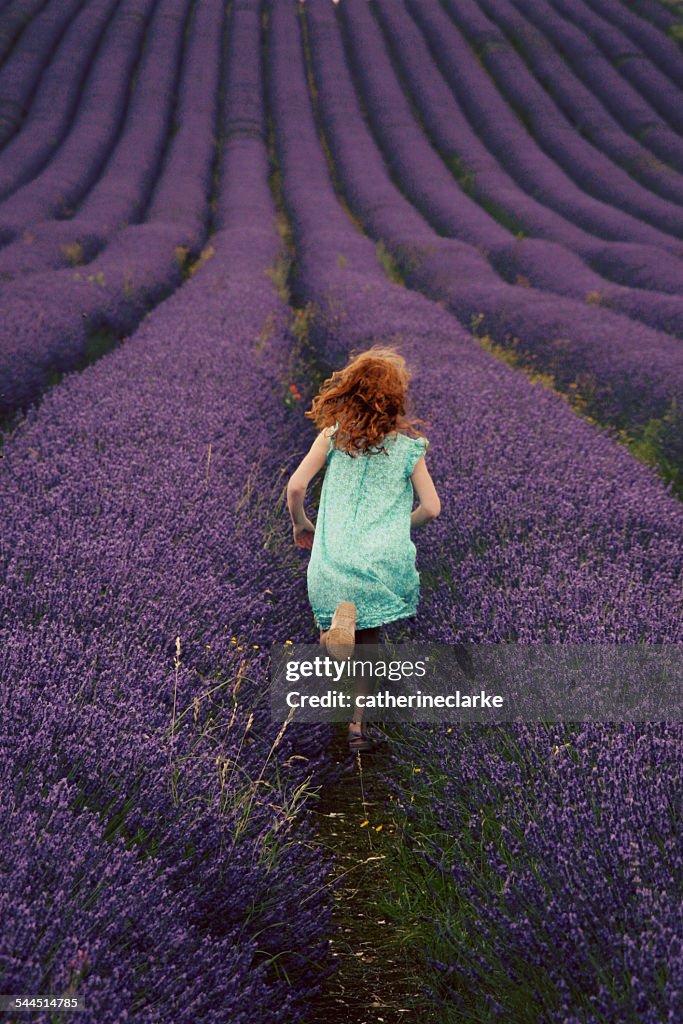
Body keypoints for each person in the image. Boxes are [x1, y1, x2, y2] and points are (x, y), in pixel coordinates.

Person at [286, 344, 441, 753]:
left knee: (336, 631)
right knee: (369, 645)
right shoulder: (410, 449)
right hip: (380, 563)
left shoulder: (333, 437)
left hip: (334, 557)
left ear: (349, 391)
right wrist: (396, 527)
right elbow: (432, 508)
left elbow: (296, 486)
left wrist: (301, 522)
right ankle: (357, 729)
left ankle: (332, 637)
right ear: (396, 400)